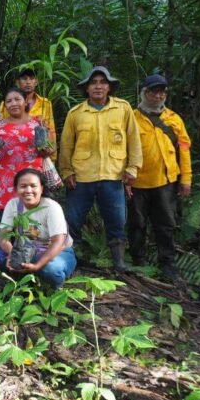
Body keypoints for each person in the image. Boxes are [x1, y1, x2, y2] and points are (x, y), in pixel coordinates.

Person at [59, 66, 142, 271]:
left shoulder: (123, 109)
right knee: (73, 220)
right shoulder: (76, 113)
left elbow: (133, 139)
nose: (98, 86)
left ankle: (119, 262)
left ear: (109, 87)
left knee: (117, 220)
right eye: (93, 83)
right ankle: (71, 260)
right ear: (86, 88)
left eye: (103, 82)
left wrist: (133, 168)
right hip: (81, 176)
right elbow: (66, 145)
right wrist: (66, 171)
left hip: (113, 175)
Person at [128, 74, 192, 281]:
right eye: (153, 91)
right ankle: (138, 260)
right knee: (137, 223)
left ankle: (168, 264)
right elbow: (122, 149)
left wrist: (186, 179)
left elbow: (184, 150)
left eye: (161, 92)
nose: (158, 95)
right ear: (144, 93)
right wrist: (125, 178)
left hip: (166, 182)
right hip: (137, 182)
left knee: (165, 224)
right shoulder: (131, 118)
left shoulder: (173, 119)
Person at [0, 88, 49, 274]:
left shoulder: (37, 124)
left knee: (31, 217)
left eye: (17, 99)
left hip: (30, 179)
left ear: (25, 101)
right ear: (5, 105)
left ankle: (30, 256)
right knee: (0, 219)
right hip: (4, 179)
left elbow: (48, 150)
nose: (13, 103)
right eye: (9, 101)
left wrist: (44, 148)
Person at [0, 169, 77, 289]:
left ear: (41, 188)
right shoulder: (13, 205)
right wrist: (12, 254)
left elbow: (59, 241)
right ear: (16, 189)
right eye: (23, 186)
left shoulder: (51, 207)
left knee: (51, 269)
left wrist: (38, 265)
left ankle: (56, 287)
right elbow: (3, 234)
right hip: (25, 249)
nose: (28, 190)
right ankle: (23, 282)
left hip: (57, 251)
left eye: (33, 186)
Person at [0, 68, 57, 160]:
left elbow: (51, 131)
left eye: (31, 78)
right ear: (18, 82)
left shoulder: (45, 104)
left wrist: (51, 158)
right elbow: (0, 129)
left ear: (36, 81)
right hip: (13, 155)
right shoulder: (7, 104)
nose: (28, 82)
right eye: (24, 78)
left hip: (39, 156)